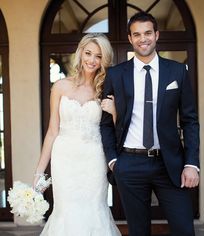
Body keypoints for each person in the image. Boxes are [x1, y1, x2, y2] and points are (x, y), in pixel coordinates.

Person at [101, 11, 200, 236]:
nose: (142, 39)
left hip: (170, 164)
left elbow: (190, 120)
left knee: (184, 229)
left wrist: (191, 163)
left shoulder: (177, 71)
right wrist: (114, 161)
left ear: (156, 35)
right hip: (129, 163)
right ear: (130, 39)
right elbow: (105, 123)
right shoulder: (116, 75)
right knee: (138, 231)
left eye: (147, 33)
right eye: (136, 34)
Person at [33, 33, 121, 236]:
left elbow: (118, 130)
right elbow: (52, 131)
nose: (91, 60)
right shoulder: (60, 87)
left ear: (103, 60)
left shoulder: (106, 88)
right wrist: (39, 172)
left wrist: (115, 111)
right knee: (66, 212)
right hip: (64, 159)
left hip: (94, 159)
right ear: (80, 53)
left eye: (98, 56)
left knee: (94, 211)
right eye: (88, 53)